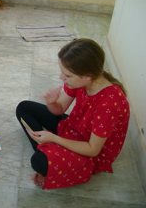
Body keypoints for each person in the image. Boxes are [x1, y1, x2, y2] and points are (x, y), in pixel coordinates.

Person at [16, 38, 130, 189]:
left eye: (67, 75)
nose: (61, 78)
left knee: (38, 161)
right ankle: (50, 151)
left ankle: (49, 152)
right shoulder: (82, 81)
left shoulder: (108, 104)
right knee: (23, 108)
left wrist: (54, 139)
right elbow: (60, 109)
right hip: (74, 128)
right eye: (62, 73)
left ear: (87, 75)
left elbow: (93, 149)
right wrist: (51, 102)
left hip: (90, 152)